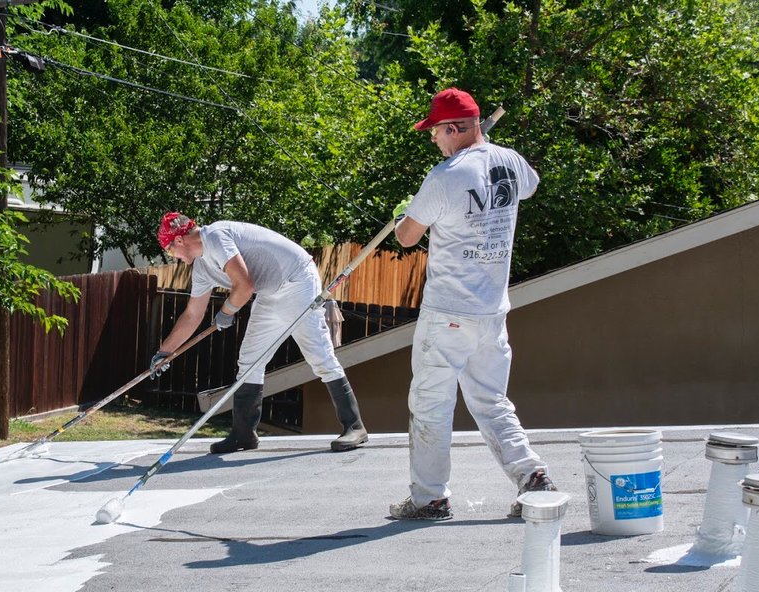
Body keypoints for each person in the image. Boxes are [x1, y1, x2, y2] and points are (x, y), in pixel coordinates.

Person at [388, 88, 556, 521]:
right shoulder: (511, 161)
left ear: (455, 128)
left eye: (436, 132)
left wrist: (402, 215)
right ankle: (531, 475)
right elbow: (530, 189)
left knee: (430, 403)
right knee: (491, 400)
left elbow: (407, 237)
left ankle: (430, 498)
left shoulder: (446, 176)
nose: (433, 140)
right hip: (492, 309)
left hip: (449, 311)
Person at [150, 211, 368, 454]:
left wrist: (227, 312)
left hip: (297, 280)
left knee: (319, 355)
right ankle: (243, 434)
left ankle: (355, 426)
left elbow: (244, 286)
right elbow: (192, 314)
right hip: (270, 291)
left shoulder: (215, 236)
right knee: (250, 360)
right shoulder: (201, 268)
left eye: (170, 251)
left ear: (179, 240)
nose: (175, 258)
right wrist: (164, 352)